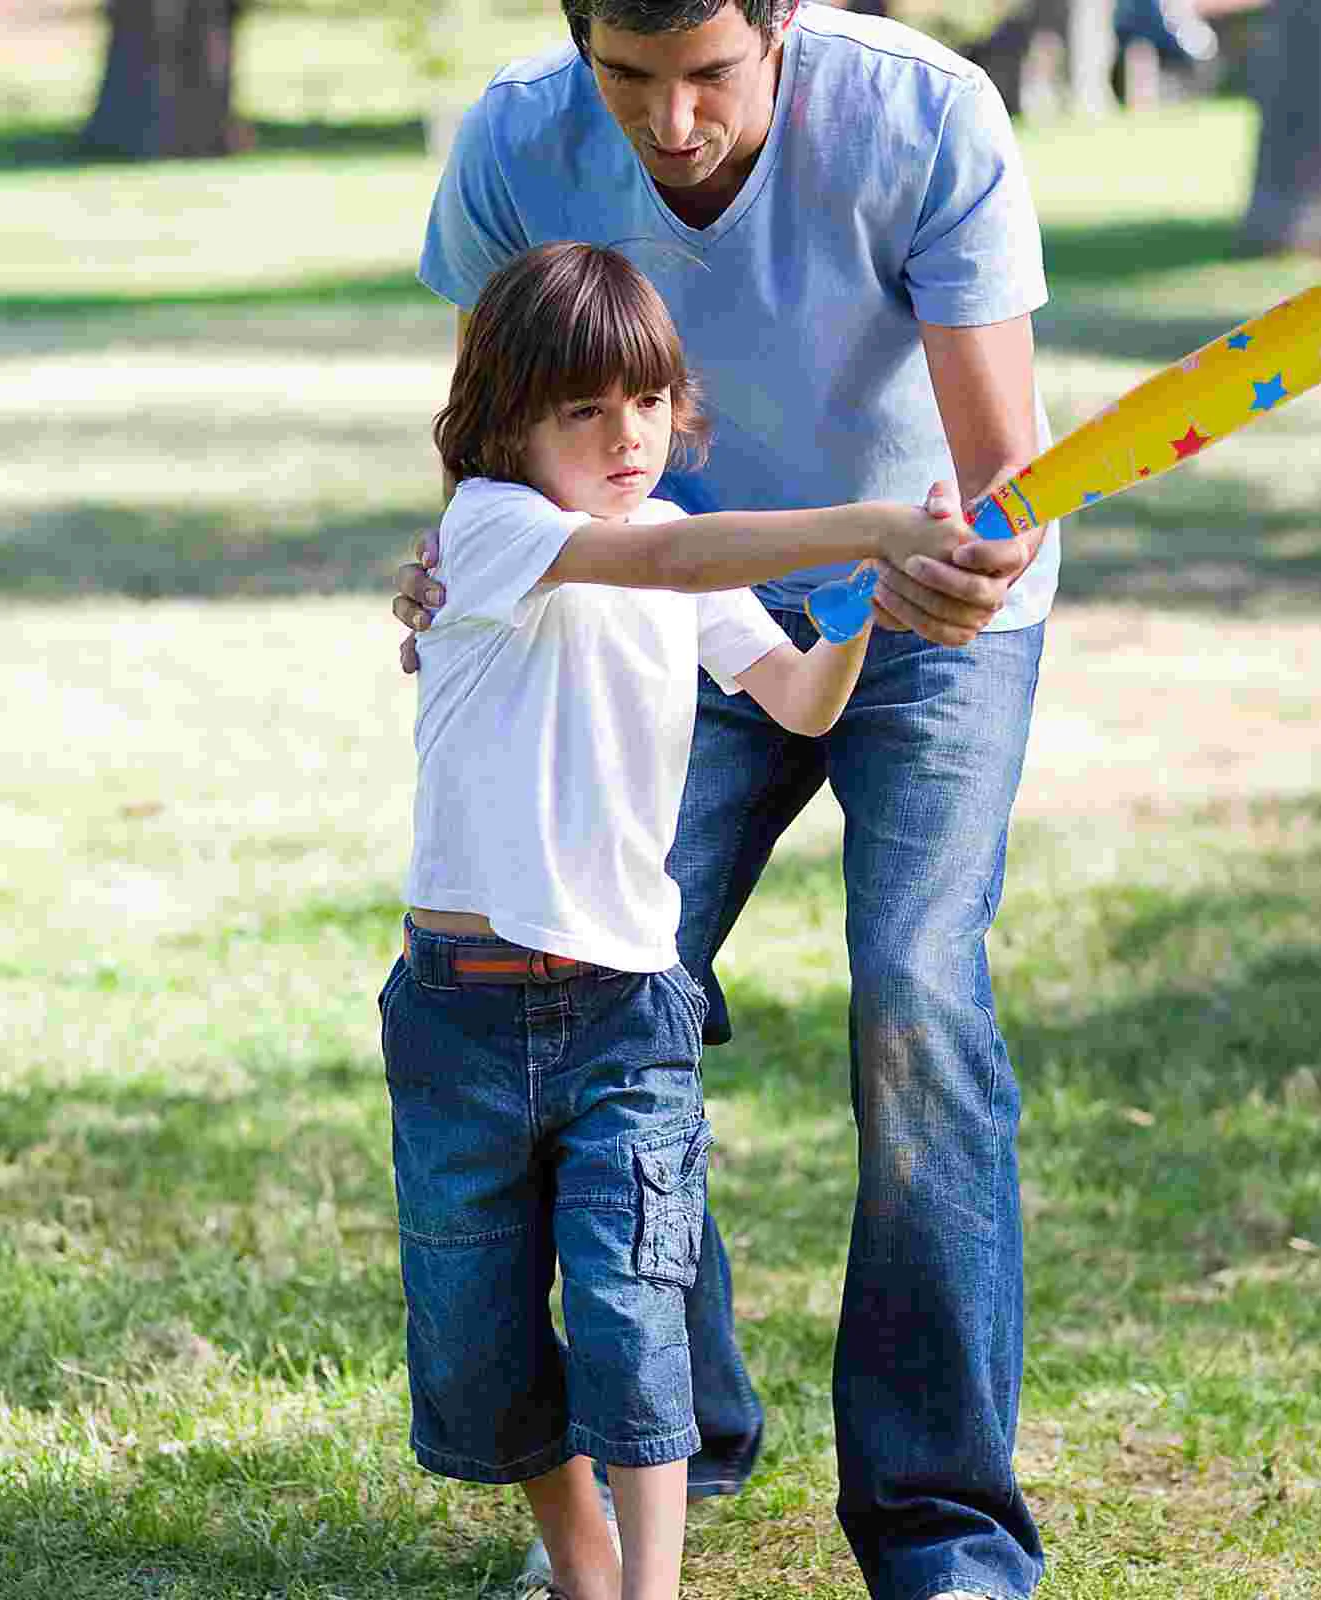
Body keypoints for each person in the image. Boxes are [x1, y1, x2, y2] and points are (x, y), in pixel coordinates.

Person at [393, 4, 1060, 1597]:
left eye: (711, 77)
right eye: (631, 83)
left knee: (913, 991)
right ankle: (677, 1447)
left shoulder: (925, 119)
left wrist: (921, 579)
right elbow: (504, 424)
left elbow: (999, 477)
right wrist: (459, 568)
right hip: (650, 590)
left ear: (780, 27)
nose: (673, 122)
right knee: (620, 966)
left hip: (910, 608)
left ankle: (942, 1528)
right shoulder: (514, 143)